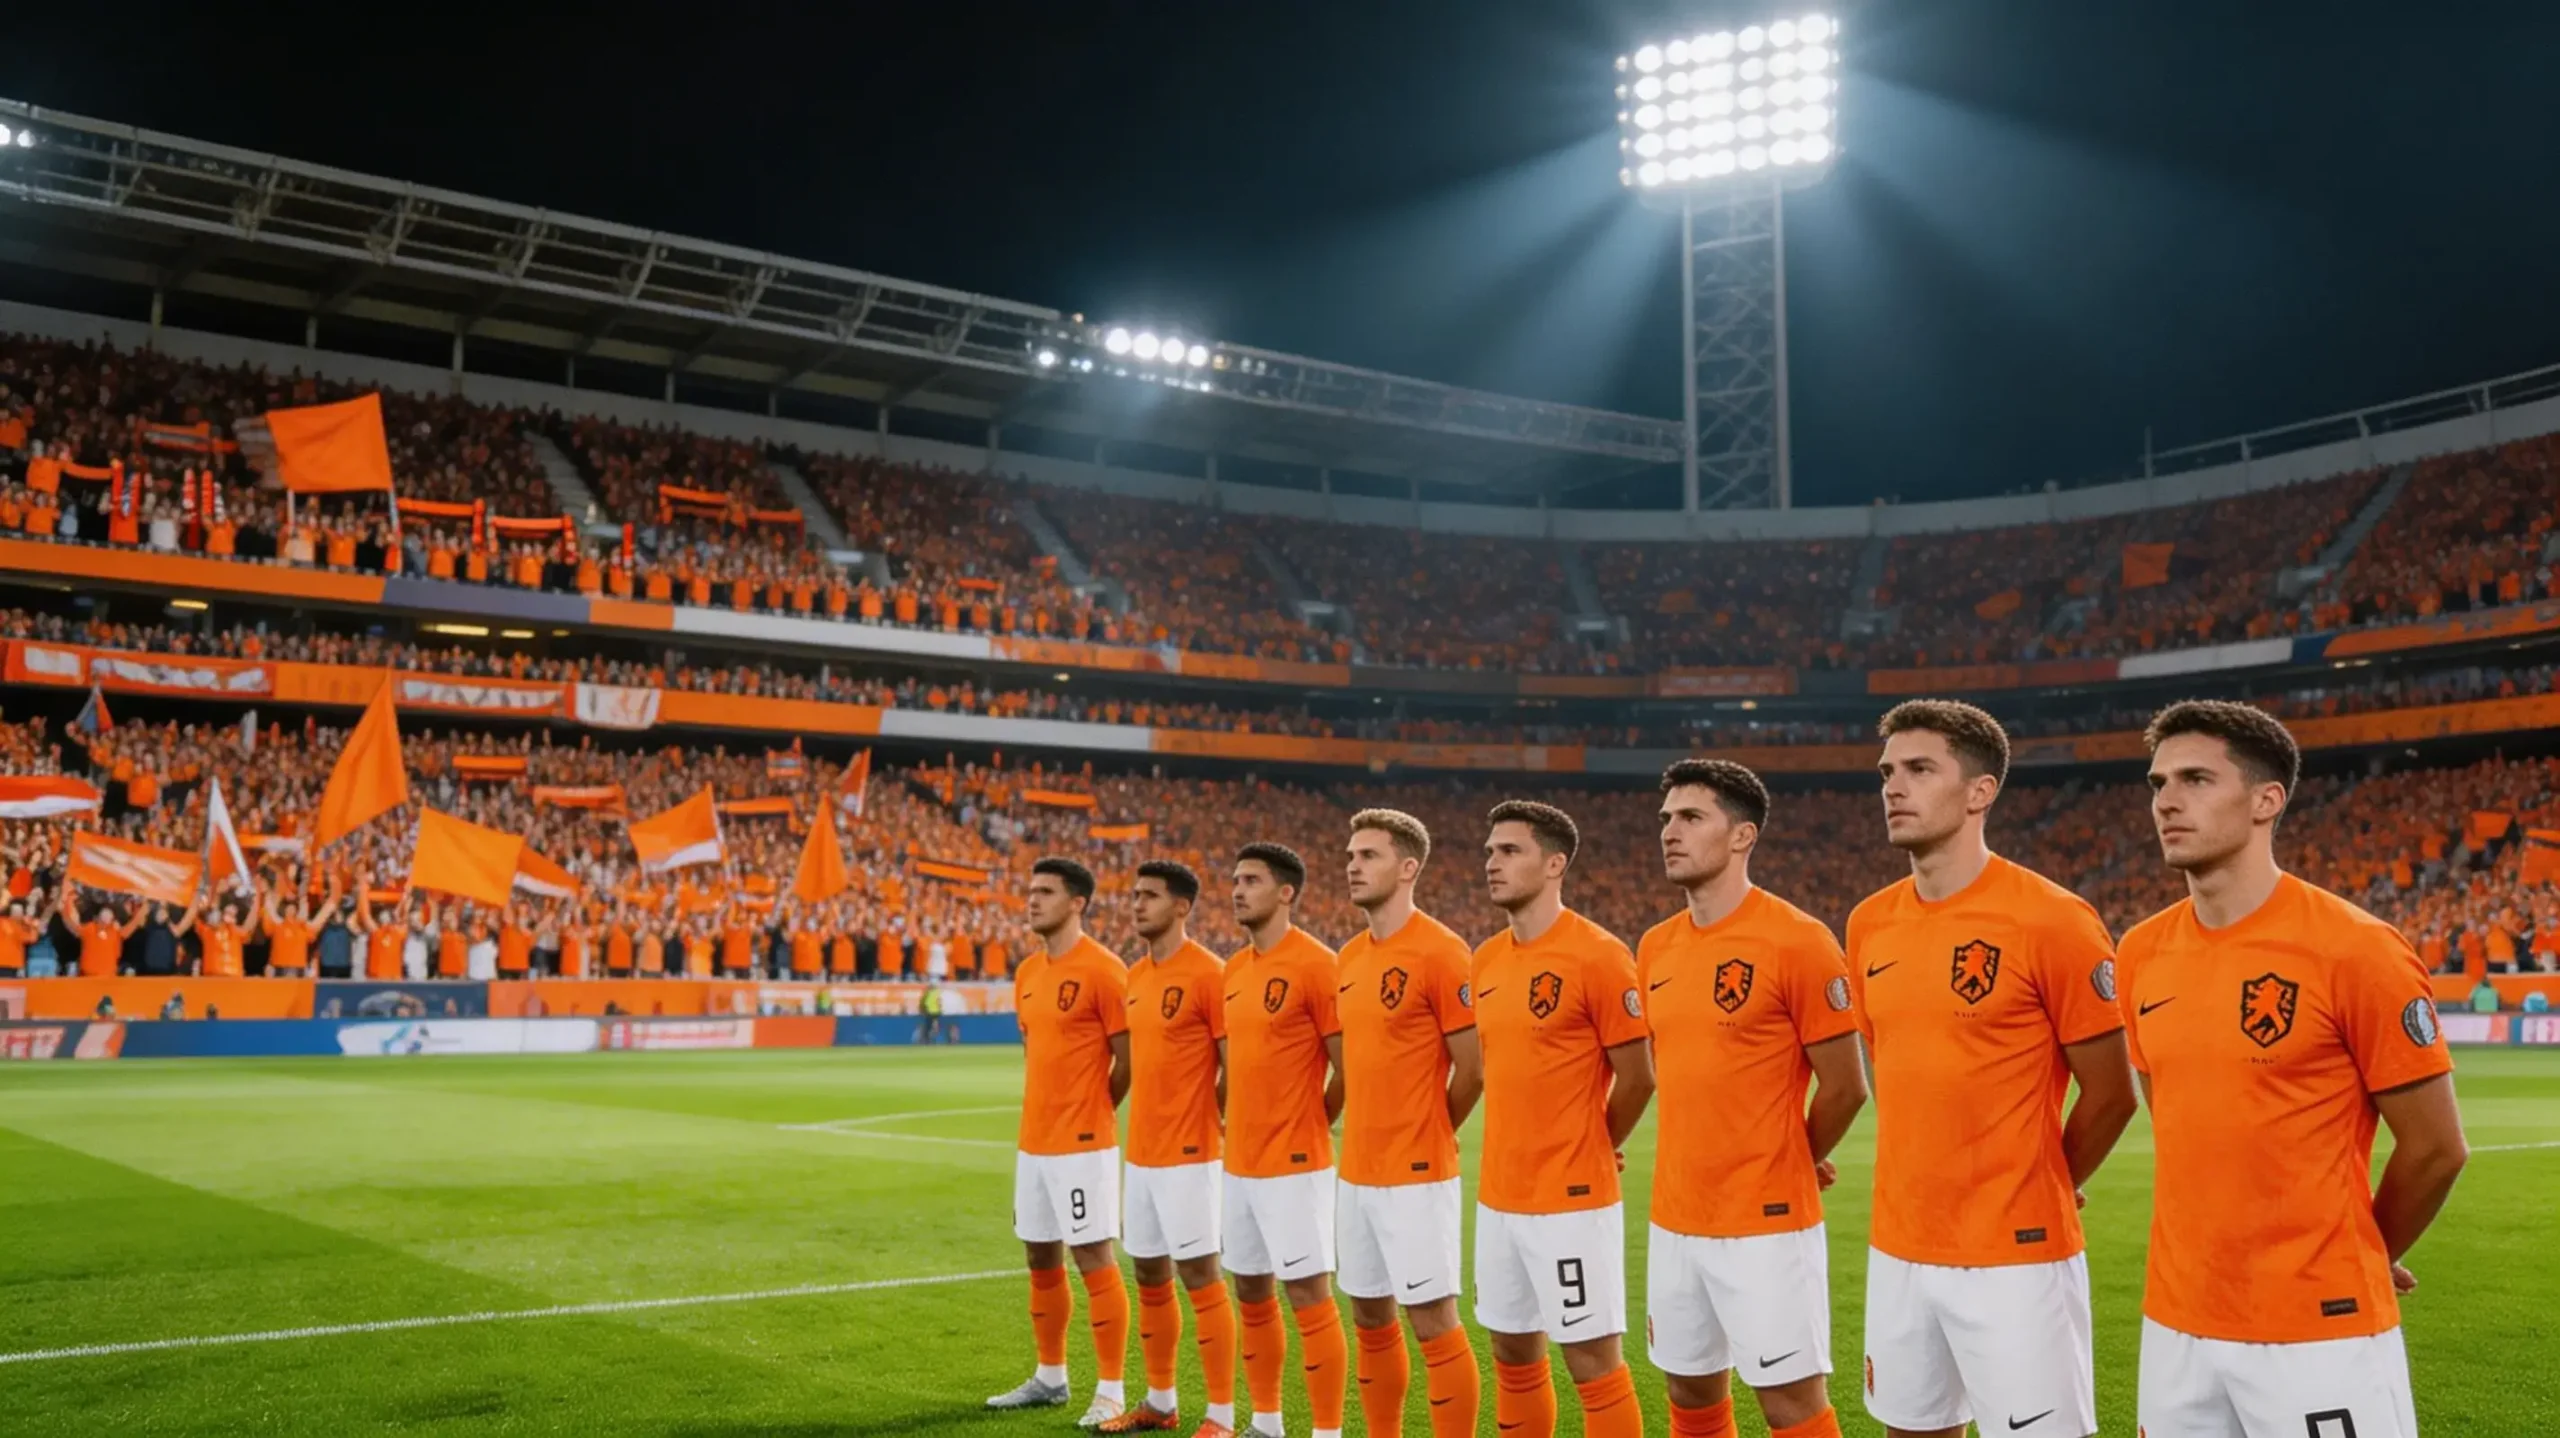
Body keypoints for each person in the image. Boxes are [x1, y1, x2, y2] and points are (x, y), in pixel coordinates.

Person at [2121, 701, 2467, 1435]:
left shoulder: (2356, 949)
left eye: (2195, 779)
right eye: (2157, 783)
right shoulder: (2140, 953)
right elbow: (2176, 1108)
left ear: (2266, 800)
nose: (2167, 801)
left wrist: (2365, 1250)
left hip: (2319, 1327)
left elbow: (2437, 1148)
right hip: (2177, 1322)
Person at [1846, 700, 2138, 1438]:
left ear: (1981, 791)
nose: (1893, 787)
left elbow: (2113, 1092)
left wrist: (2048, 1182)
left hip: (2018, 1259)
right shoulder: (1868, 922)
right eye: (1887, 771)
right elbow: (1887, 1062)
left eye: (1919, 769)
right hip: (1901, 1244)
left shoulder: (2053, 919)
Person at [1641, 760, 1866, 1438]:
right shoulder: (1654, 947)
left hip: (1765, 1223)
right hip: (1675, 1216)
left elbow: (1847, 1084)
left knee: (1790, 1402)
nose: (1670, 832)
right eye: (1666, 819)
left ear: (1742, 836)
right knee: (1690, 1392)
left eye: (1691, 817)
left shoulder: (1797, 939)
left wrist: (1791, 1156)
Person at [1469, 800, 1654, 1438]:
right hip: (1498, 1197)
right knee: (1513, 1356)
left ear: (1555, 864)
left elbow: (1639, 1076)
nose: (1492, 862)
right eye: (1490, 850)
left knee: (1592, 1362)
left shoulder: (1599, 955)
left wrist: (1593, 1144)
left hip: (1572, 1202)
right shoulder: (1486, 959)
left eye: (1509, 851)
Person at [1331, 809, 1483, 1438]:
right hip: (1357, 1171)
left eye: (1368, 855)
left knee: (1433, 1319)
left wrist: (1427, 1132)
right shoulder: (1348, 956)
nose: (1352, 865)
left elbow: (1473, 1069)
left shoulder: (1443, 951)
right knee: (1369, 1316)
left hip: (1417, 1172)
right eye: (1350, 855)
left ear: (1408, 867)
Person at [987, 857, 1134, 1429]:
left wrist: (1093, 1110)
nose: (1032, 900)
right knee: (1039, 1254)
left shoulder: (1103, 969)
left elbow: (1129, 1060)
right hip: (1035, 1143)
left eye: (1045, 892)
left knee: (1093, 1256)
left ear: (1077, 902)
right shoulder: (1027, 973)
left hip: (1083, 1142)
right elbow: (1034, 1057)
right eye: (1030, 891)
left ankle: (1113, 1390)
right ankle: (1050, 1377)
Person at [1218, 842, 1346, 1438]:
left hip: (1296, 1163)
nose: (1238, 890)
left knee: (1309, 1296)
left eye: (1251, 881)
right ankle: (1266, 1423)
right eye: (1235, 880)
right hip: (1239, 1162)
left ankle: (1325, 1431)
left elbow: (1347, 1067)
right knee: (1250, 1290)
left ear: (1286, 892)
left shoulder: (1318, 965)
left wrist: (1311, 1120)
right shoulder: (1233, 970)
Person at [1103, 860, 1233, 1435]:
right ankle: (1160, 1403)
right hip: (1143, 1155)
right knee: (1150, 1276)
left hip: (1191, 1155)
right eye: (1135, 895)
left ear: (1181, 907)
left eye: (1150, 896)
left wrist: (1207, 1117)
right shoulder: (1134, 977)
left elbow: (1235, 1066)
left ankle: (1222, 1415)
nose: (1137, 905)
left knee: (1201, 1276)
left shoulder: (1210, 974)